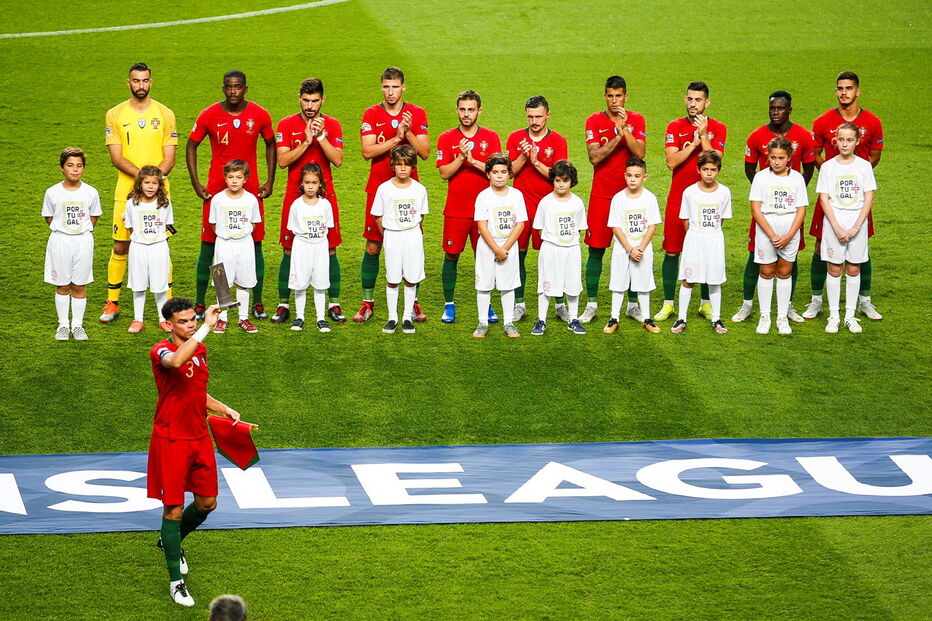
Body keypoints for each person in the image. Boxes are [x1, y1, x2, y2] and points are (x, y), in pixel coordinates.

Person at [148, 297, 242, 607]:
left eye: (192, 319)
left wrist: (222, 407)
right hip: (171, 440)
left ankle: (170, 541)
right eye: (183, 322)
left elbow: (196, 391)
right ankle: (176, 582)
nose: (189, 325)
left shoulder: (199, 348)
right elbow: (175, 363)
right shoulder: (160, 350)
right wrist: (204, 328)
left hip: (199, 437)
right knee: (173, 510)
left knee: (207, 503)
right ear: (168, 325)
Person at [187, 70, 276, 321]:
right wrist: (196, 183)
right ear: (223, 88)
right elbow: (191, 144)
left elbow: (271, 143)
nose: (233, 91)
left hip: (251, 188)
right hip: (216, 189)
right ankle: (205, 301)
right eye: (229, 87)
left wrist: (270, 180)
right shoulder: (209, 114)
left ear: (245, 88)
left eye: (237, 87)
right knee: (210, 245)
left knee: (254, 242)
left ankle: (256, 302)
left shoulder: (260, 114)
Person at [806, 71, 885, 321]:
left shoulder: (872, 122)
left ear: (857, 91)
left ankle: (865, 301)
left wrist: (857, 175)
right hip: (831, 196)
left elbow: (875, 155)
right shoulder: (822, 122)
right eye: (840, 88)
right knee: (821, 246)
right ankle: (817, 300)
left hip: (857, 196)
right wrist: (832, 172)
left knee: (861, 248)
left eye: (849, 88)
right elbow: (814, 153)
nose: (844, 92)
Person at [101, 62, 177, 323]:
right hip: (127, 190)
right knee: (121, 244)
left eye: (145, 81)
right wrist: (145, 180)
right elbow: (116, 157)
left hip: (159, 193)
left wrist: (153, 183)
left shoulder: (165, 114)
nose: (141, 85)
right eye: (136, 81)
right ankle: (112, 302)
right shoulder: (115, 114)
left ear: (151, 82)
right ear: (128, 82)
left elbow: (170, 157)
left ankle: (167, 306)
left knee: (161, 244)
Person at [732, 90, 815, 324]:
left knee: (790, 259)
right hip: (765, 210)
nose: (775, 112)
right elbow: (750, 167)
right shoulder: (757, 135)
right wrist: (765, 190)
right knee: (755, 256)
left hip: (790, 210)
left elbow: (808, 166)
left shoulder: (803, 135)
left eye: (780, 108)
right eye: (772, 108)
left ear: (789, 109)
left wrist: (792, 187)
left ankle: (786, 307)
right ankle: (748, 304)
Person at [355, 67, 430, 323]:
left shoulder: (417, 113)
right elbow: (367, 151)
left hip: (410, 192)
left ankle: (413, 303)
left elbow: (425, 152)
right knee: (374, 245)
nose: (390, 92)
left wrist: (407, 132)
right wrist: (396, 138)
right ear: (381, 87)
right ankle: (367, 303)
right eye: (386, 86)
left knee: (412, 245)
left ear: (403, 87)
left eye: (395, 87)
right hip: (379, 188)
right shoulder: (371, 113)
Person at [273, 77, 345, 325]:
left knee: (330, 247)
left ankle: (334, 304)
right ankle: (284, 304)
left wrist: (321, 137)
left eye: (315, 101)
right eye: (306, 100)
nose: (310, 106)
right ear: (299, 98)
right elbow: (283, 161)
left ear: (323, 100)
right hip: (295, 196)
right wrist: (306, 140)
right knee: (289, 248)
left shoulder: (333, 125)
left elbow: (337, 160)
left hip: (325, 196)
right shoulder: (286, 124)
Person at [656, 82, 727, 322]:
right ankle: (668, 304)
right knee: (672, 251)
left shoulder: (719, 128)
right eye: (689, 99)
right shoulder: (674, 127)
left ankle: (706, 304)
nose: (693, 104)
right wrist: (694, 144)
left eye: (698, 100)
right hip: (678, 199)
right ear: (685, 99)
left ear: (707, 102)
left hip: (707, 201)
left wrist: (704, 136)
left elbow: (716, 161)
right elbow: (671, 162)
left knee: (707, 249)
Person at [582, 75, 647, 324]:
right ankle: (591, 304)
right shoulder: (593, 121)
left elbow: (640, 152)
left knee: (633, 249)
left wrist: (626, 129)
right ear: (605, 96)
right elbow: (595, 157)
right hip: (601, 194)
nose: (614, 100)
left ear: (626, 97)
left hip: (630, 197)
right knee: (596, 249)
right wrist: (618, 136)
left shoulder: (637, 120)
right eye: (610, 95)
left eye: (618, 95)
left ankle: (632, 304)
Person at [436, 90, 502, 324]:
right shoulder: (446, 138)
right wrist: (460, 158)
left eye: (471, 109)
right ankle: (449, 305)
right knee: (451, 255)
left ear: (479, 111)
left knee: (484, 257)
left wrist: (471, 159)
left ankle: (488, 304)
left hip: (484, 210)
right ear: (457, 110)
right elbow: (444, 173)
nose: (466, 114)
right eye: (462, 109)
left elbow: (496, 172)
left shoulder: (491, 138)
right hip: (456, 209)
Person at [506, 96, 568, 322]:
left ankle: (559, 303)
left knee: (553, 256)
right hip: (521, 207)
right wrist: (524, 156)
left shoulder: (559, 141)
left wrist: (536, 160)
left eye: (539, 116)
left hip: (549, 207)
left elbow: (561, 177)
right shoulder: (515, 138)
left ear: (548, 115)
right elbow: (508, 172)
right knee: (518, 256)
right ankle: (519, 303)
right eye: (530, 116)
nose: (534, 121)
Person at [816, 122, 877, 334]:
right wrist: (837, 227)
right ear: (835, 140)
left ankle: (850, 316)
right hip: (834, 224)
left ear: (857, 141)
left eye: (849, 140)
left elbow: (869, 197)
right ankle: (834, 315)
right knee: (834, 269)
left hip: (857, 224)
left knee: (853, 268)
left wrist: (856, 226)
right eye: (841, 139)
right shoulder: (828, 167)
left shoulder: (864, 166)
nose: (844, 144)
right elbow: (824, 199)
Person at [748, 138, 809, 335]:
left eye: (781, 158)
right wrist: (773, 234)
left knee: (784, 273)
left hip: (789, 230)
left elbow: (801, 210)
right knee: (766, 272)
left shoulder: (797, 178)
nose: (776, 162)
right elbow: (756, 210)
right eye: (773, 157)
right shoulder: (760, 178)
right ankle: (765, 316)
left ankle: (782, 316)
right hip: (767, 230)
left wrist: (789, 235)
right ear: (767, 157)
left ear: (789, 158)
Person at [43, 147, 101, 341]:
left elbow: (94, 217)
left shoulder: (91, 192)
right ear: (62, 168)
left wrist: (79, 232)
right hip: (60, 241)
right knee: (62, 284)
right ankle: (62, 326)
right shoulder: (52, 192)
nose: (75, 169)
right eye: (70, 165)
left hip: (83, 242)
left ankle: (77, 326)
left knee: (79, 284)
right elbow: (49, 217)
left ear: (83, 168)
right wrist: (65, 231)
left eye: (79, 166)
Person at [671, 151, 731, 334]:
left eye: (713, 170)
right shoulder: (690, 192)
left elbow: (722, 219)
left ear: (718, 171)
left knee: (714, 280)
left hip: (714, 239)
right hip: (694, 239)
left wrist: (709, 234)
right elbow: (685, 218)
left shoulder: (724, 192)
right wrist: (695, 237)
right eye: (705, 169)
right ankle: (681, 318)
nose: (709, 173)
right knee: (688, 279)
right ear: (698, 170)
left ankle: (716, 318)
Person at [370, 145, 429, 334]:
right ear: (393, 166)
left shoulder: (419, 189)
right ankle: (392, 317)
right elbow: (378, 216)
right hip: (392, 236)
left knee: (411, 278)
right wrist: (388, 234)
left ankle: (406, 317)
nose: (403, 168)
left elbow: (421, 217)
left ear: (413, 166)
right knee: (393, 278)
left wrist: (412, 232)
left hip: (412, 236)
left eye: (407, 164)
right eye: (399, 164)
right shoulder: (384, 189)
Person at [603, 157, 661, 335]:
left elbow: (652, 226)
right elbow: (615, 226)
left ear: (645, 177)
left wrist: (640, 248)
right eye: (629, 175)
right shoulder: (618, 198)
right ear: (624, 176)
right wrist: (629, 249)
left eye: (637, 175)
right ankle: (614, 318)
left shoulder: (650, 198)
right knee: (618, 283)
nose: (633, 179)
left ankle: (646, 318)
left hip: (643, 250)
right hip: (623, 249)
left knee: (643, 284)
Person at [530, 160, 588, 336]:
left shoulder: (577, 203)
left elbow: (578, 227)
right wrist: (553, 241)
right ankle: (541, 320)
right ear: (553, 181)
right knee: (546, 285)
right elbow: (539, 227)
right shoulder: (545, 202)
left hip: (571, 249)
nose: (561, 184)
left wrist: (566, 241)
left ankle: (573, 319)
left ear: (572, 181)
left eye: (565, 180)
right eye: (557, 180)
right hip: (550, 249)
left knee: (573, 285)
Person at [472, 153, 527, 338]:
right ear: (488, 174)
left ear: (510, 174)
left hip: (508, 247)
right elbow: (481, 226)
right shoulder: (483, 196)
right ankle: (482, 322)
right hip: (488, 247)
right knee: (484, 285)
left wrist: (505, 249)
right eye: (495, 172)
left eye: (503, 172)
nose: (499, 175)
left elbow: (520, 224)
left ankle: (508, 322)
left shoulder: (517, 195)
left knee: (508, 285)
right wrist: (496, 249)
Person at [208, 160, 262, 333]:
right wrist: (227, 236)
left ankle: (243, 318)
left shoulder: (251, 199)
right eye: (230, 177)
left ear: (245, 178)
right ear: (225, 178)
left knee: (243, 282)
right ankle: (222, 318)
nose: (234, 181)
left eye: (238, 177)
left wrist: (240, 235)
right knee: (222, 283)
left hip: (244, 245)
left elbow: (254, 223)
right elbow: (214, 224)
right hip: (223, 245)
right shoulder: (218, 199)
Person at [124, 166, 174, 334]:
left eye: (155, 183)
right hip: (138, 248)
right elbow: (130, 226)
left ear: (160, 185)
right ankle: (138, 319)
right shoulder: (132, 203)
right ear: (140, 184)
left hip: (159, 247)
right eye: (147, 183)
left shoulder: (164, 203)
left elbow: (167, 224)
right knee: (138, 285)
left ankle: (163, 319)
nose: (151, 186)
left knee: (160, 285)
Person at [287, 164, 334, 333]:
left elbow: (328, 226)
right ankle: (300, 317)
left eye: (314, 182)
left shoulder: (325, 205)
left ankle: (321, 318)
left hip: (320, 248)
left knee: (320, 284)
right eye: (307, 182)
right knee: (300, 284)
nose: (311, 186)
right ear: (301, 183)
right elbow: (293, 228)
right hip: (302, 247)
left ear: (320, 183)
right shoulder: (296, 205)